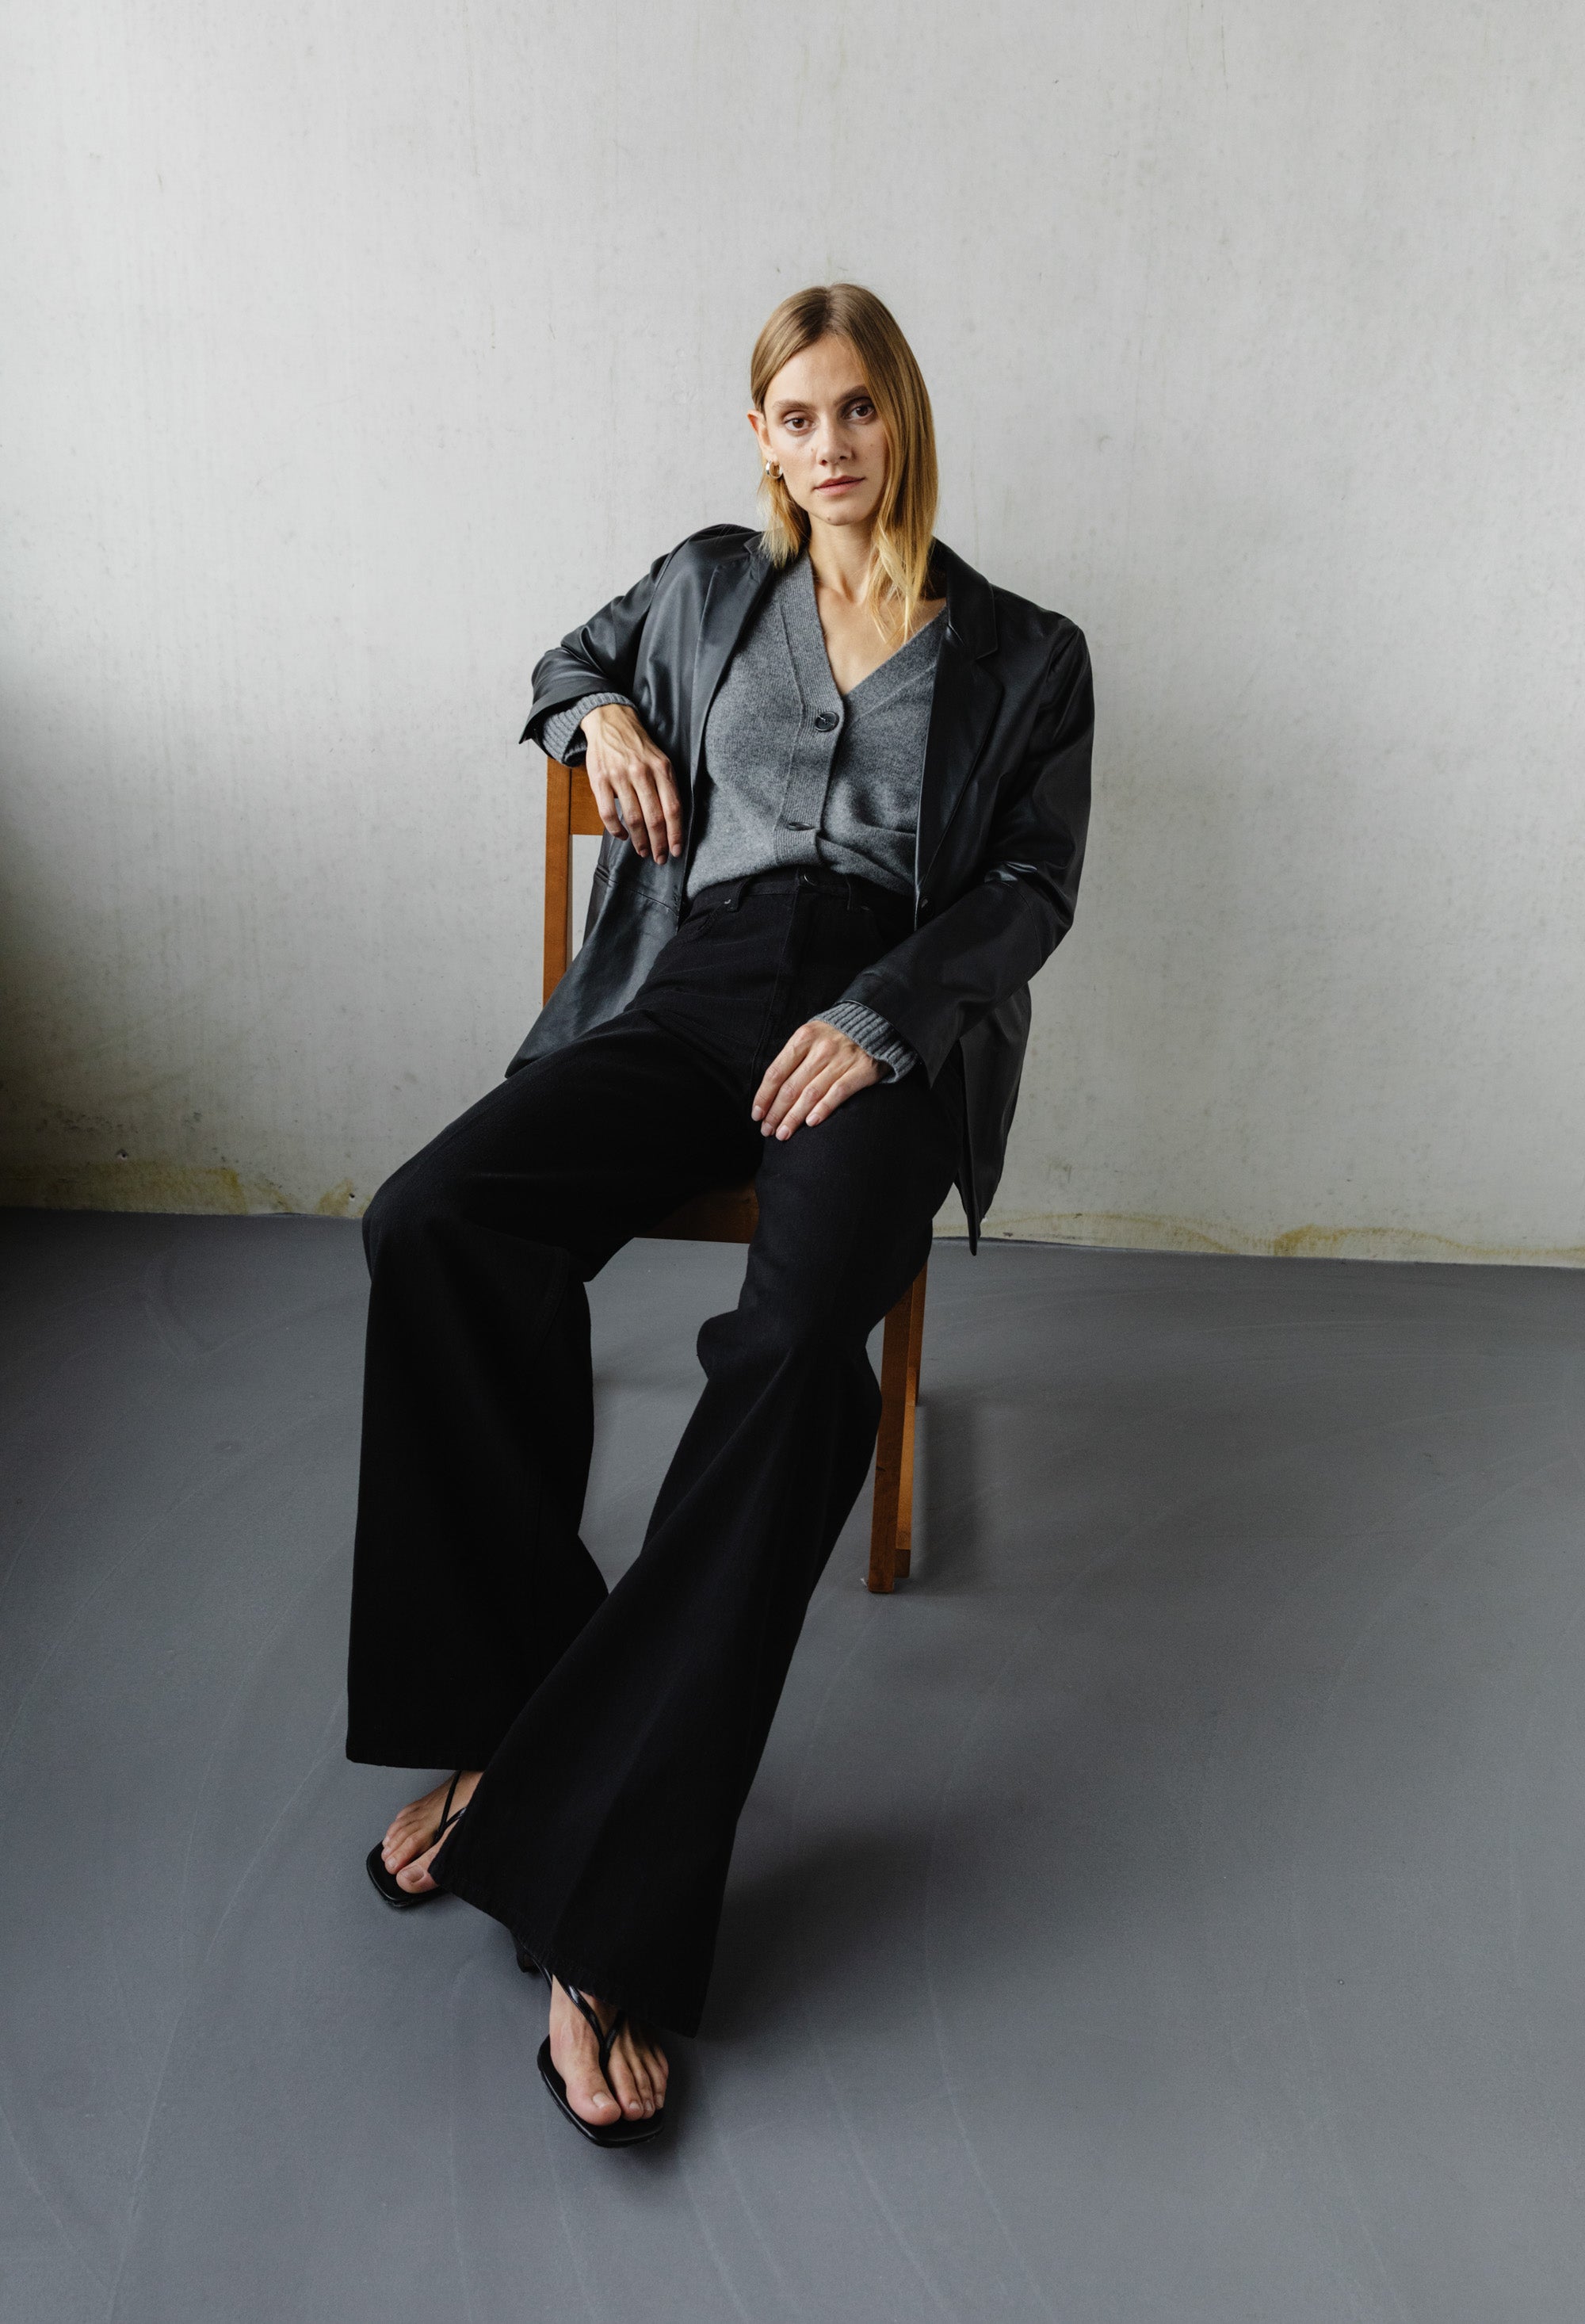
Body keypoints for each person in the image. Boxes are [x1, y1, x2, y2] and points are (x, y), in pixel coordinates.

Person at [346, 283, 1094, 2146]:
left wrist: (882, 1013)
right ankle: (520, 1718)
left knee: (788, 1360)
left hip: (883, 1020)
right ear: (757, 438)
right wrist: (596, 709)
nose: (828, 443)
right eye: (793, 415)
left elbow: (1026, 887)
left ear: (901, 420)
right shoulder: (705, 584)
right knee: (433, 1218)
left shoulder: (1023, 650)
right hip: (696, 985)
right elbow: (561, 661)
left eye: (857, 408)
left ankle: (602, 1912)